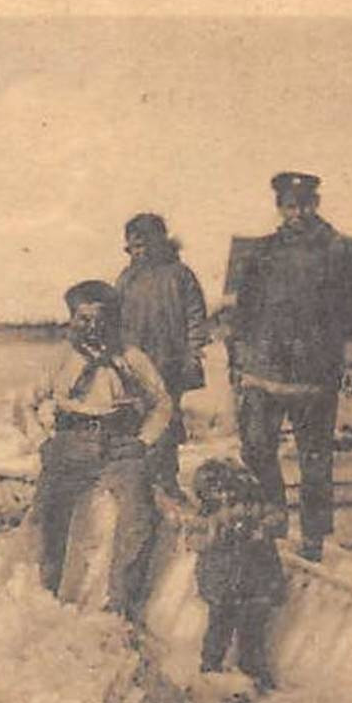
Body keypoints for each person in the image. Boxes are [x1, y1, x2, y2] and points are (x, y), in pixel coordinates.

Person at [228, 171, 352, 561]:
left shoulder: (337, 250)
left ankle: (313, 536)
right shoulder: (263, 251)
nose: (298, 213)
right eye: (290, 206)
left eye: (305, 204)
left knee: (314, 457)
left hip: (315, 372)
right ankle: (274, 522)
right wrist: (239, 359)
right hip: (264, 370)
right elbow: (244, 311)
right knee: (257, 448)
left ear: (317, 204)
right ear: (279, 208)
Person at [21, 280, 172, 619]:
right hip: (70, 444)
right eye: (83, 319)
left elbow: (162, 403)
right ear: (71, 319)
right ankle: (47, 595)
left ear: (113, 320)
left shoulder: (131, 358)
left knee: (138, 515)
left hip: (120, 445)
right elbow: (26, 403)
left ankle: (120, 605)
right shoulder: (60, 358)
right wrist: (41, 441)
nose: (92, 327)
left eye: (100, 319)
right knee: (48, 512)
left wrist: (144, 440)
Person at [115, 212, 208, 499]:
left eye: (144, 245)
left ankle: (167, 479)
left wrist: (193, 355)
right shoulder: (127, 278)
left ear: (159, 243)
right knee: (136, 421)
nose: (138, 252)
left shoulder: (180, 275)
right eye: (133, 247)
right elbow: (114, 318)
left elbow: (196, 318)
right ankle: (143, 481)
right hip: (134, 366)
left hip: (170, 363)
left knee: (166, 420)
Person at [185, 458, 288, 691]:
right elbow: (195, 540)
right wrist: (216, 533)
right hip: (222, 584)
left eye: (232, 494)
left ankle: (251, 668)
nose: (227, 500)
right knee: (219, 625)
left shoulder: (253, 510)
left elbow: (277, 518)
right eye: (219, 493)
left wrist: (260, 530)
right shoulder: (206, 518)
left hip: (254, 582)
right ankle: (211, 668)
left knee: (252, 627)